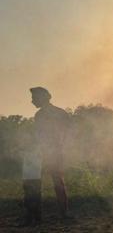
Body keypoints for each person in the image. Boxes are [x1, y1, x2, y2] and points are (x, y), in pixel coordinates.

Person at [30, 87, 70, 219]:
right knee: (57, 181)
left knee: (34, 181)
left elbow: (40, 136)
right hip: (51, 151)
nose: (32, 101)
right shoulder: (59, 113)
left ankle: (35, 215)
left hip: (49, 151)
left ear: (42, 98)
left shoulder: (42, 115)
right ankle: (63, 213)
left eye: (34, 98)